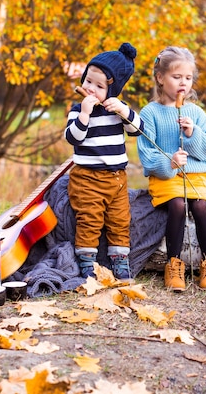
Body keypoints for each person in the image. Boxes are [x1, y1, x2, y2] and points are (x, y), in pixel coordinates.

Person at [137, 46, 206, 292]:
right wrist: (170, 162)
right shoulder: (150, 113)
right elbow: (147, 155)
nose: (183, 83)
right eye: (176, 77)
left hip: (195, 175)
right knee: (177, 204)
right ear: (161, 78)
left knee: (201, 206)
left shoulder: (195, 113)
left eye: (188, 77)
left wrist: (192, 134)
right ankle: (174, 264)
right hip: (166, 178)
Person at [64, 42, 143, 281]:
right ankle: (87, 263)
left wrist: (124, 111)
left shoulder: (117, 109)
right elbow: (72, 137)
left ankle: (121, 261)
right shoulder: (78, 110)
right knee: (89, 218)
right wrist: (85, 115)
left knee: (120, 220)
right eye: (88, 81)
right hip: (87, 177)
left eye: (99, 86)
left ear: (113, 90)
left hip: (117, 178)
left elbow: (137, 130)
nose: (91, 89)